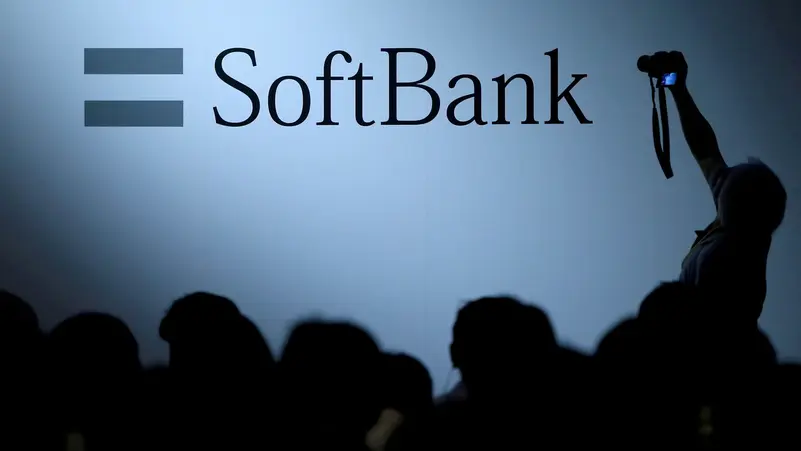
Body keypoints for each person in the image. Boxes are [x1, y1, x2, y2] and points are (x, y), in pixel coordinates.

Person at [658, 51, 787, 328]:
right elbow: (705, 148)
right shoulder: (741, 221)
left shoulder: (728, 263)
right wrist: (677, 88)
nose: (718, 176)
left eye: (725, 181)